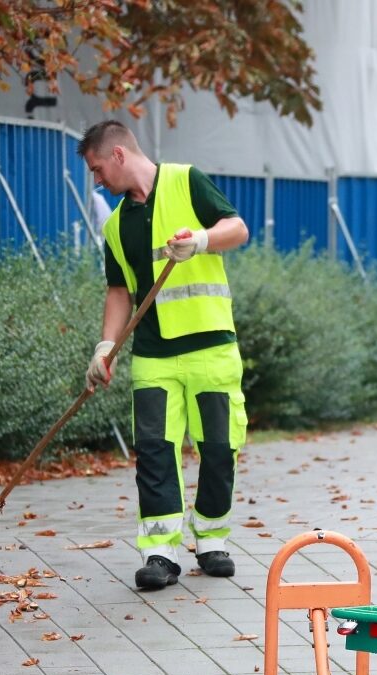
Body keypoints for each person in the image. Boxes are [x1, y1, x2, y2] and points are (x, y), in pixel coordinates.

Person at [77, 119, 250, 591]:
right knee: (154, 452)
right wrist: (106, 347)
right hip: (153, 356)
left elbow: (237, 229)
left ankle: (211, 540)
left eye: (97, 169)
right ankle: (159, 553)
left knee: (219, 450)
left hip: (211, 346)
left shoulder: (186, 180)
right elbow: (119, 291)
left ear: (118, 155)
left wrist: (201, 240)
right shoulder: (115, 226)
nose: (97, 181)